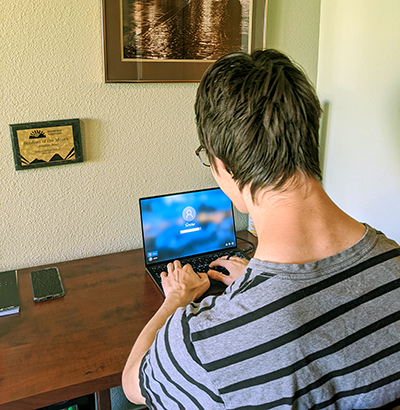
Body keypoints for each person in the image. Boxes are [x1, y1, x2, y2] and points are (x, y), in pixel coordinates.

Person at [122, 49, 400, 409]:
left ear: (222, 166)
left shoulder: (206, 345)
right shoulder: (393, 260)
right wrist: (252, 282)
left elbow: (133, 383)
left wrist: (176, 299)